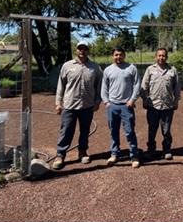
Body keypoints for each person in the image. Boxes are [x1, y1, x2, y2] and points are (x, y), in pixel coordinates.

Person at [52, 41, 102, 170]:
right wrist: (58, 103)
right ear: (76, 50)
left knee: (85, 131)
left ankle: (83, 152)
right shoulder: (67, 66)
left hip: (87, 105)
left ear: (88, 51)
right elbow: (61, 85)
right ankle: (60, 155)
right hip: (69, 105)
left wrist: (97, 101)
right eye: (80, 48)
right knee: (66, 130)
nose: (82, 51)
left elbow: (99, 86)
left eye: (85, 48)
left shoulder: (95, 67)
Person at [101, 47, 140, 168]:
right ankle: (114, 154)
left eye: (121, 55)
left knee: (129, 132)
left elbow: (137, 85)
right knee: (113, 131)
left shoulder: (131, 68)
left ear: (124, 55)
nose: (118, 57)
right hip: (112, 106)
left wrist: (132, 99)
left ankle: (133, 155)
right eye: (116, 55)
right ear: (113, 56)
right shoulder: (108, 70)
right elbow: (104, 88)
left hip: (126, 106)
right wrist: (106, 102)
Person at [140, 47, 181, 160]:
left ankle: (167, 150)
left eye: (163, 55)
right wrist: (144, 99)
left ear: (166, 57)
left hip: (167, 106)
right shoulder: (150, 70)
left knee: (166, 130)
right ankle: (151, 150)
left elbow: (177, 87)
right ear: (155, 57)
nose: (161, 58)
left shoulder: (172, 70)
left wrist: (176, 101)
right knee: (152, 129)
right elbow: (144, 86)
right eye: (159, 55)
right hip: (153, 106)